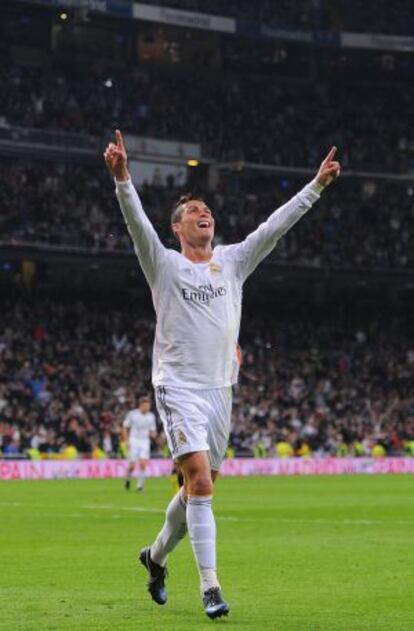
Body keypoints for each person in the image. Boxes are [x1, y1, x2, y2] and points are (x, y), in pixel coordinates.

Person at [104, 130, 340, 619]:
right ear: (177, 228)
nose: (203, 213)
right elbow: (136, 226)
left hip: (220, 392)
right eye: (193, 211)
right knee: (200, 485)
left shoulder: (232, 262)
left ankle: (155, 557)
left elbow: (274, 227)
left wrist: (315, 186)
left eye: (207, 209)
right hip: (177, 386)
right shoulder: (164, 265)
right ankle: (210, 587)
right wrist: (123, 179)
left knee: (197, 489)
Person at [123, 395, 157, 491]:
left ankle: (140, 485)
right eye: (145, 405)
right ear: (140, 405)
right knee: (132, 466)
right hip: (133, 440)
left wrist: (154, 434)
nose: (146, 407)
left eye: (148, 406)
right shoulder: (132, 414)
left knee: (143, 463)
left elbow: (152, 430)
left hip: (145, 442)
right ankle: (127, 479)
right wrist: (126, 441)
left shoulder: (151, 416)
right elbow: (125, 427)